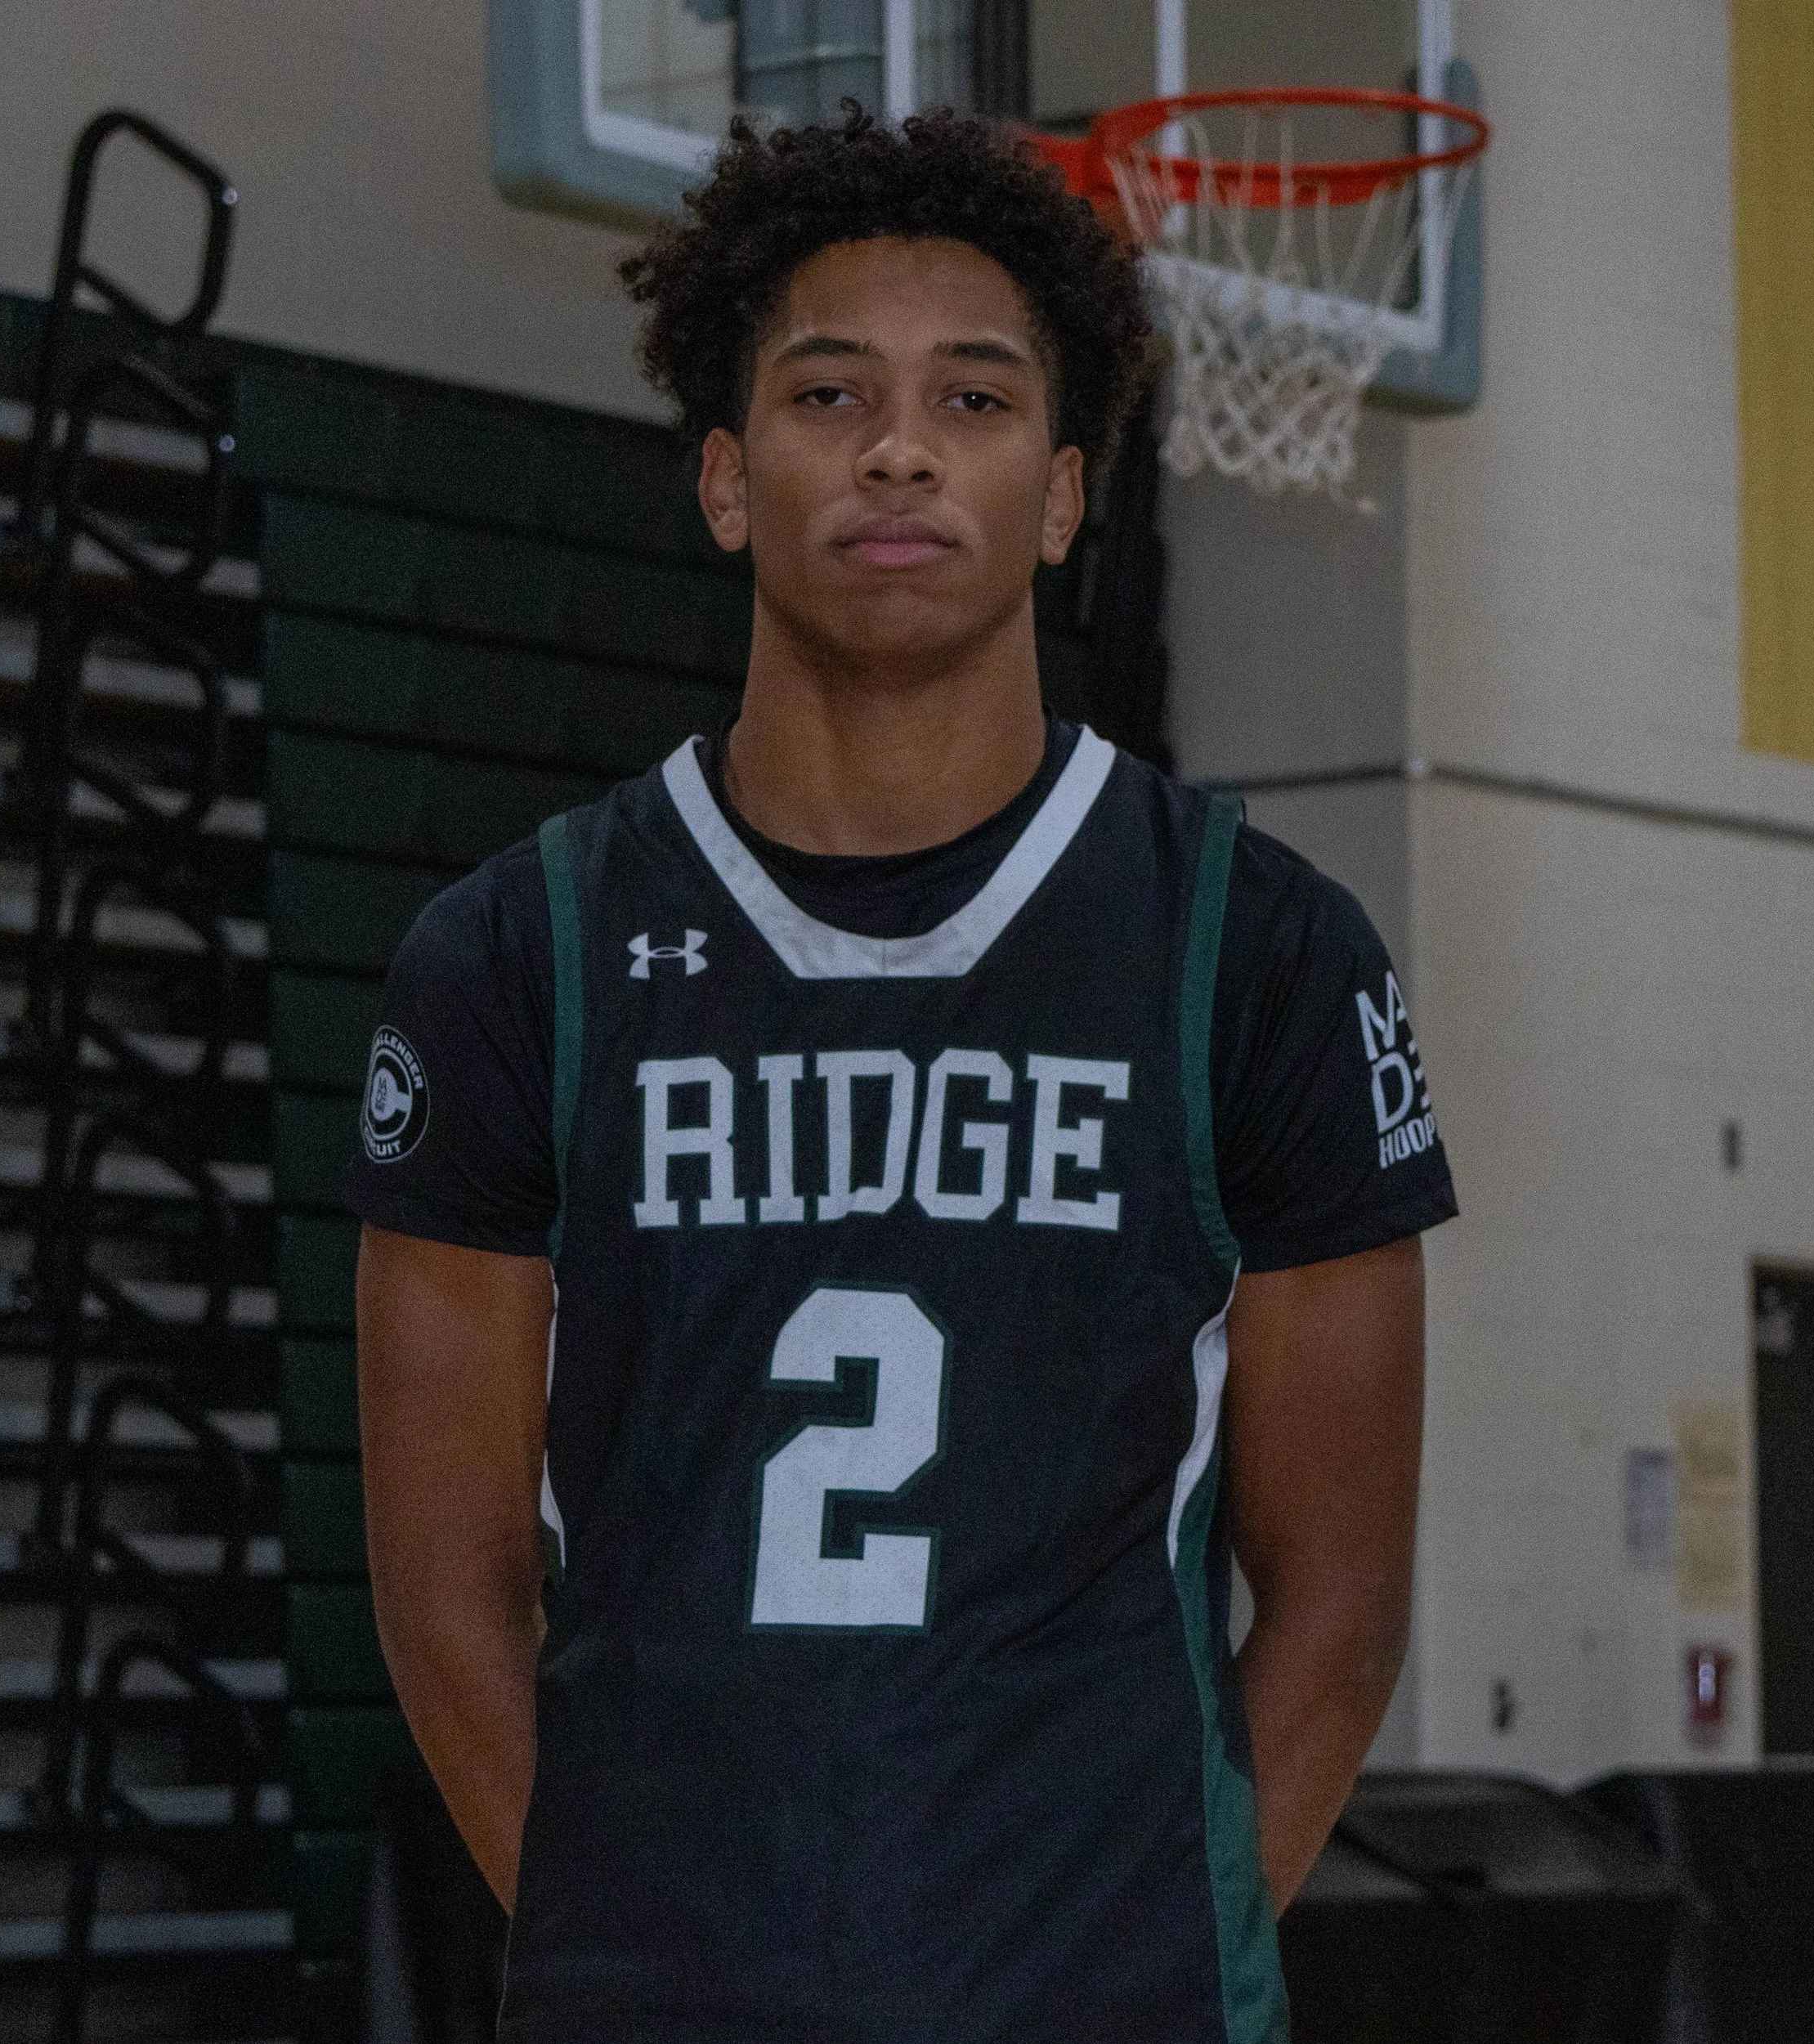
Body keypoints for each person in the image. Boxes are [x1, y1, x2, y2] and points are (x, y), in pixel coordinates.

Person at [351, 105, 1457, 2044]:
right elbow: (445, 1595)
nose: (896, 448)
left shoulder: (1254, 956)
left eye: (971, 396)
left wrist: (1144, 1950)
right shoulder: (514, 955)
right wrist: (646, 1952)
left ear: (1056, 494)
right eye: (826, 391)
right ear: (723, 477)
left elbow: (1338, 1599)